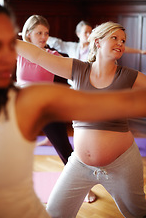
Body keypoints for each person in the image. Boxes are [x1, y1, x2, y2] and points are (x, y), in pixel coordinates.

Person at [17, 21, 146, 218]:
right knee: (55, 212)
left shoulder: (129, 76)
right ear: (97, 42)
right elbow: (37, 55)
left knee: (138, 212)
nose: (120, 43)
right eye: (114, 37)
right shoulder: (78, 69)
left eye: (123, 40)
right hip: (80, 164)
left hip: (122, 164)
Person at [16, 14, 74, 166]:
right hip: (22, 107)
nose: (44, 37)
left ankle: (84, 186)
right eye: (39, 33)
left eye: (46, 33)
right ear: (28, 34)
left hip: (46, 107)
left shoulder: (52, 55)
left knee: (65, 149)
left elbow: (72, 68)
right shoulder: (20, 53)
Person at [47, 20, 146, 61]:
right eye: (85, 32)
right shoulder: (72, 47)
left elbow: (119, 47)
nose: (88, 35)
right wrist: (42, 37)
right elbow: (57, 43)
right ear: (78, 34)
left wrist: (140, 51)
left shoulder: (97, 45)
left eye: (90, 32)